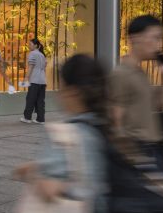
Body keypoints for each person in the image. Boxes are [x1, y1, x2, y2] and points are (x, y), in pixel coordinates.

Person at [14, 54, 108, 212]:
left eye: (61, 86)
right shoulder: (105, 129)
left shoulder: (64, 134)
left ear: (72, 92)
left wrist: (33, 172)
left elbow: (50, 188)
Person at [109, 15, 163, 168]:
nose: (158, 44)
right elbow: (116, 119)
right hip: (141, 152)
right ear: (136, 39)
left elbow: (161, 106)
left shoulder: (140, 72)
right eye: (155, 38)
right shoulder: (121, 73)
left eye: (160, 38)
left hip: (155, 148)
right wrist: (133, 160)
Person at [21, 38, 47, 125]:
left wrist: (26, 78)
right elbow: (44, 67)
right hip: (43, 81)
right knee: (40, 100)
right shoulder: (42, 55)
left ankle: (27, 118)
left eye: (30, 44)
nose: (29, 46)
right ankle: (41, 119)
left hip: (35, 80)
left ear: (36, 45)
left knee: (30, 99)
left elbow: (31, 67)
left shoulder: (32, 54)